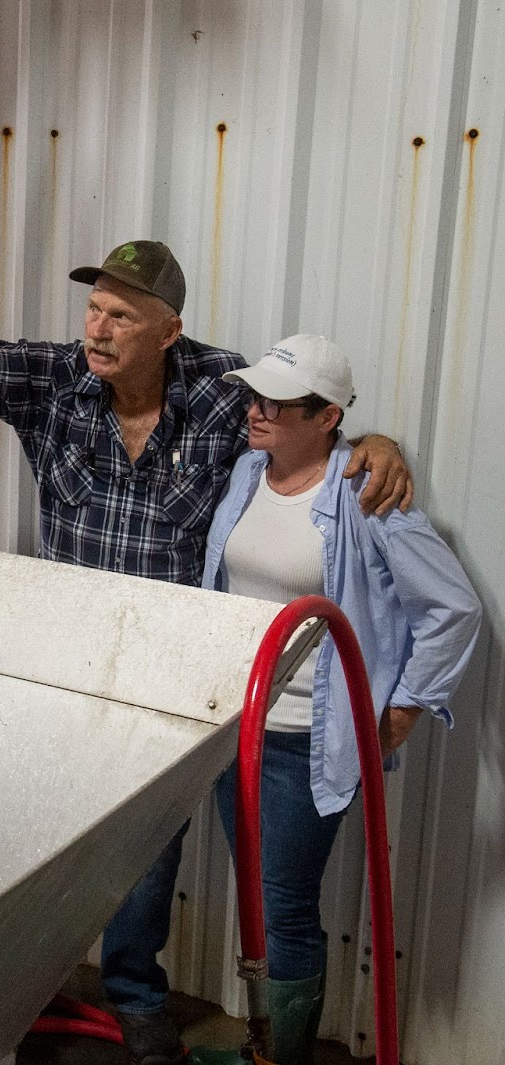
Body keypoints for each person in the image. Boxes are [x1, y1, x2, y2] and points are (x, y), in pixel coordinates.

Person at [0, 242, 414, 1065]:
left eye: (121, 316)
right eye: (94, 310)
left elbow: (307, 425)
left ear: (169, 331)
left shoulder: (222, 393)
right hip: (69, 665)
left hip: (179, 673)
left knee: (148, 847)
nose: (98, 330)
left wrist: (381, 443)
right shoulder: (55, 384)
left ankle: (141, 1005)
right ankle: (62, 991)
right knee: (60, 841)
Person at [186, 336, 481, 1065]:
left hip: (302, 740)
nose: (254, 411)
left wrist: (407, 706)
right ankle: (264, 1046)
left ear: (327, 417)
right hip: (238, 725)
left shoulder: (364, 495)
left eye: (276, 404)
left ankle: (280, 1057)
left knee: (283, 904)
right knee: (259, 896)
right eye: (254, 396)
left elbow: (453, 606)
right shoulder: (248, 470)